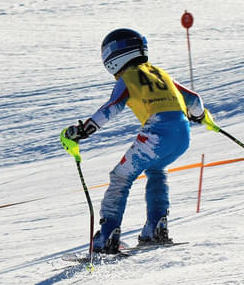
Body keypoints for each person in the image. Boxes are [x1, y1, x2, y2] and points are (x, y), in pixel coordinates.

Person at [65, 28, 205, 254]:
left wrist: (84, 130)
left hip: (157, 134)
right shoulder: (161, 73)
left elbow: (111, 107)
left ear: (114, 55)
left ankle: (108, 234)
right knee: (157, 169)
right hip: (182, 134)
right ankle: (156, 228)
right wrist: (198, 115)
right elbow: (195, 100)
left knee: (120, 176)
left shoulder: (128, 77)